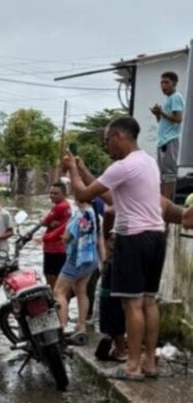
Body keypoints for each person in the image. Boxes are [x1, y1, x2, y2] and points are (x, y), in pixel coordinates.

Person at [64, 116, 165, 381]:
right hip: (156, 236)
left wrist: (73, 171)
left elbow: (83, 195)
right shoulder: (148, 162)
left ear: (120, 137)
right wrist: (84, 171)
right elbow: (112, 197)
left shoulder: (123, 166)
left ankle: (131, 366)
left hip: (133, 237)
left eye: (108, 140)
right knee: (148, 301)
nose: (106, 146)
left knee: (132, 304)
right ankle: (149, 362)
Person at [54, 197, 101, 345]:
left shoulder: (78, 214)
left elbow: (67, 237)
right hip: (91, 258)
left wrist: (63, 238)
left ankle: (61, 327)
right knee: (81, 290)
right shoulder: (93, 213)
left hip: (76, 259)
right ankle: (81, 326)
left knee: (59, 292)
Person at [95, 207, 127, 363]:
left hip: (116, 265)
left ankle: (121, 349)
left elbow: (110, 212)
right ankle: (121, 345)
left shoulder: (120, 208)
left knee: (112, 307)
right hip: (125, 266)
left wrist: (107, 238)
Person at [150, 71, 184, 199]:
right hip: (162, 141)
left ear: (174, 83)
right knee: (162, 175)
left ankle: (166, 206)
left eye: (166, 82)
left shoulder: (176, 97)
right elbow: (163, 122)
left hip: (170, 140)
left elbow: (178, 118)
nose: (163, 85)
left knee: (169, 175)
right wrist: (158, 114)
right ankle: (161, 204)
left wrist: (162, 113)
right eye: (162, 82)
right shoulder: (167, 100)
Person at [38, 181, 71, 290]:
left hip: (54, 248)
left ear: (64, 194)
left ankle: (55, 300)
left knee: (51, 277)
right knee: (57, 277)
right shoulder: (65, 205)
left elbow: (44, 221)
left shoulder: (60, 207)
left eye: (56, 193)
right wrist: (49, 222)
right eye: (51, 193)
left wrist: (46, 221)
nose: (52, 195)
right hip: (60, 247)